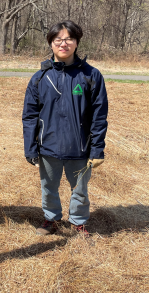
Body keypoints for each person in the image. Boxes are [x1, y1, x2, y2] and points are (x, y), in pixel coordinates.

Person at [22, 20, 108, 236]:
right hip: (48, 148)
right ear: (51, 43)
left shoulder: (90, 75)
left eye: (69, 39)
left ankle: (78, 222)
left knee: (79, 190)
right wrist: (30, 147)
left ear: (77, 42)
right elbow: (30, 116)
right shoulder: (39, 77)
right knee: (48, 187)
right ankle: (51, 219)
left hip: (80, 147)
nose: (63, 43)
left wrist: (97, 149)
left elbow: (99, 115)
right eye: (58, 39)